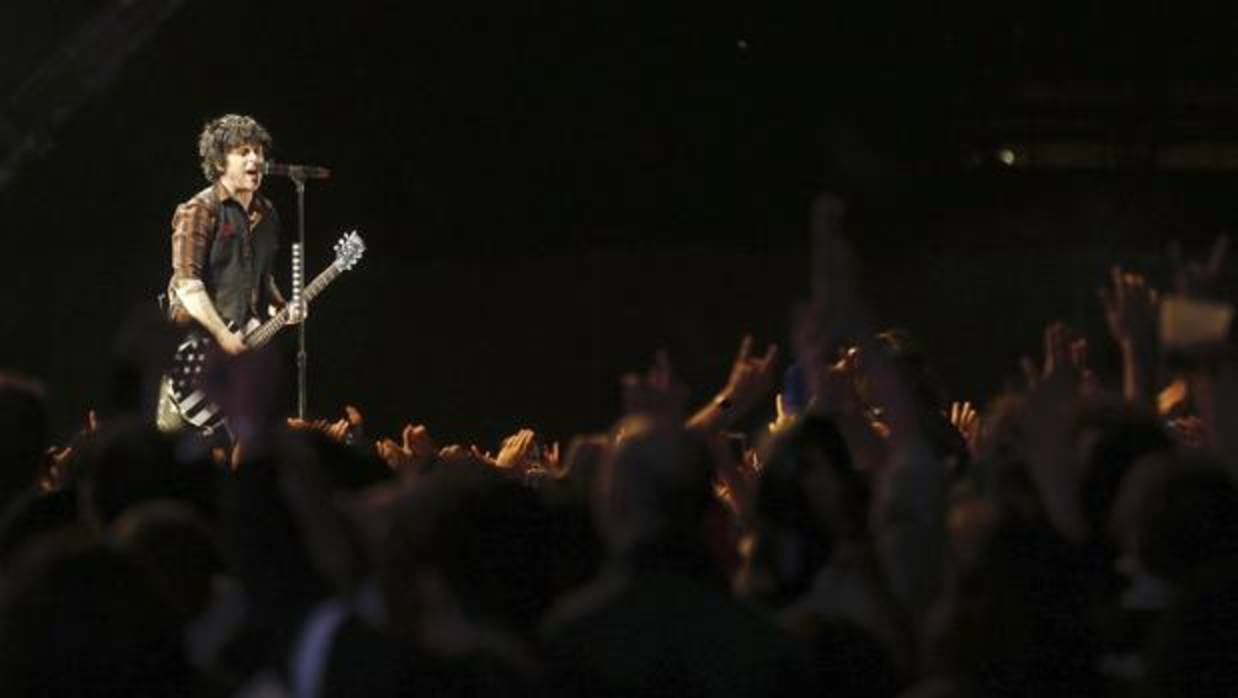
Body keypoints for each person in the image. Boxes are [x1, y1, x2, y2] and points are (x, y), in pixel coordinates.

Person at [156, 114, 303, 434]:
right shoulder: (200, 209)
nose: (256, 159)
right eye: (244, 151)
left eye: (259, 151)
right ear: (220, 161)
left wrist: (281, 307)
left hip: (240, 362)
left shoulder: (268, 214)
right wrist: (223, 335)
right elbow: (187, 285)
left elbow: (263, 279)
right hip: (194, 359)